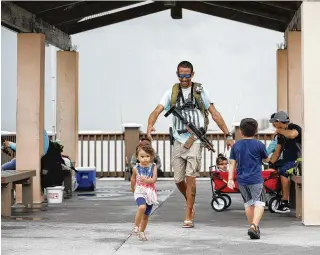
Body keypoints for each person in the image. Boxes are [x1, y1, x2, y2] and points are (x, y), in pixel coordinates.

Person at [147, 61, 233, 228]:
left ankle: (188, 214)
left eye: (187, 75)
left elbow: (214, 113)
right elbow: (157, 111)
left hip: (195, 139)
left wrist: (227, 133)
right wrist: (150, 126)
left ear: (192, 74)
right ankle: (190, 201)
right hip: (178, 140)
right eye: (181, 75)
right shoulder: (171, 92)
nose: (184, 78)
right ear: (177, 74)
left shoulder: (200, 92)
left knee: (190, 177)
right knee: (178, 179)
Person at [228, 118, 269, 239]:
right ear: (256, 131)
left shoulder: (236, 146)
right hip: (256, 179)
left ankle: (253, 226)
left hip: (242, 180)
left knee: (249, 204)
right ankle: (254, 226)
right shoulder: (259, 145)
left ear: (241, 132)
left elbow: (232, 164)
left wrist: (230, 179)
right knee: (260, 203)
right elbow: (266, 160)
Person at [268, 111, 302, 213]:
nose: (273, 125)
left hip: (297, 160)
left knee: (283, 171)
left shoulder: (294, 127)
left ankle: (284, 203)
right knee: (273, 167)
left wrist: (279, 131)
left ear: (278, 121)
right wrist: (270, 162)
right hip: (286, 160)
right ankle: (276, 194)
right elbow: (277, 152)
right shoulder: (281, 135)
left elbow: (292, 135)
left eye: (274, 123)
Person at [131, 143, 158, 241]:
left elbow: (154, 179)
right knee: (142, 207)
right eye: (142, 156)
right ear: (137, 157)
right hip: (140, 191)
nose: (145, 159)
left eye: (147, 156)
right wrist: (133, 189)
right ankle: (136, 226)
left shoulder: (153, 166)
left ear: (151, 157)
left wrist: (147, 180)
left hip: (150, 192)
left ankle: (142, 232)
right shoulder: (136, 168)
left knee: (146, 216)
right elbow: (133, 179)